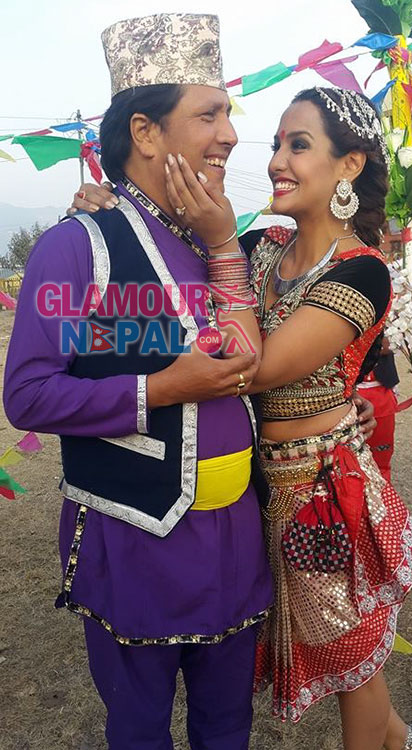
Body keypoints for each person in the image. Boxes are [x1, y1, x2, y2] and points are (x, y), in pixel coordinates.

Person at [109, 85, 412, 749]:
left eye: (298, 145)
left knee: (348, 658)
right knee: (333, 646)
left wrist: (224, 243)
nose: (277, 160)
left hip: (320, 495)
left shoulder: (362, 273)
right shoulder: (264, 246)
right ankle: (406, 741)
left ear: (349, 165)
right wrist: (110, 211)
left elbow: (253, 368)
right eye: (278, 143)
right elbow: (173, 252)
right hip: (253, 490)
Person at [4, 14, 274, 750]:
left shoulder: (221, 241)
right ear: (146, 133)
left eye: (228, 114)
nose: (229, 134)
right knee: (140, 728)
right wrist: (160, 388)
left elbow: (251, 361)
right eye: (209, 115)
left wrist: (225, 246)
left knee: (229, 725)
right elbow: (28, 394)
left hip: (236, 534)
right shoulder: (78, 247)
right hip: (137, 536)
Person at [358, 338, 399, 482]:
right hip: (349, 393)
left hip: (382, 394)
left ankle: (383, 492)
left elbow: (391, 344)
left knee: (381, 457)